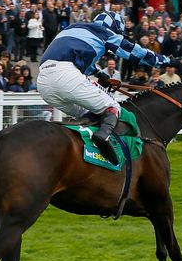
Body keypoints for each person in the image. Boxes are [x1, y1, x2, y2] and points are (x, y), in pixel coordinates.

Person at [37, 10, 172, 162]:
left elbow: (79, 58)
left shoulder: (72, 28)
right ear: (113, 28)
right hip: (65, 75)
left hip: (43, 81)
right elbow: (132, 51)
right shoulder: (105, 33)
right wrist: (164, 61)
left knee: (87, 114)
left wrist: (101, 74)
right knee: (112, 107)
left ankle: (84, 154)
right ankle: (103, 138)